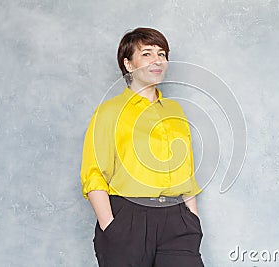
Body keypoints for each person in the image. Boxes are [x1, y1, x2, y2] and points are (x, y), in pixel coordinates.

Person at [80, 27, 204, 267]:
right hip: (129, 219)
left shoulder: (175, 110)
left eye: (162, 53)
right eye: (147, 53)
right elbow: (94, 173)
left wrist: (192, 219)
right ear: (128, 64)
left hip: (177, 218)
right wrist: (112, 227)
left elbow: (185, 169)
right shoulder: (109, 111)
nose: (157, 60)